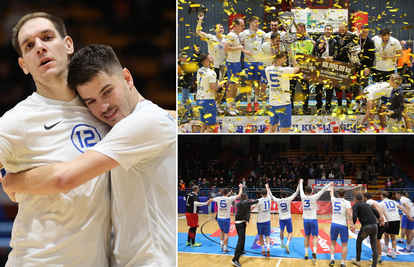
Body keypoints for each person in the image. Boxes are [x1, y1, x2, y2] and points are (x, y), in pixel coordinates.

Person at [2, 44, 177, 266]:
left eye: (107, 91)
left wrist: (11, 181)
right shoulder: (134, 122)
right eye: (90, 101)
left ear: (127, 78)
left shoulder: (142, 122)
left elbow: (65, 177)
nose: (103, 107)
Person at [0, 12, 111, 266]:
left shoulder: (102, 109)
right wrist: (13, 183)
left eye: (47, 38)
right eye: (29, 46)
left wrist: (18, 181)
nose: (40, 47)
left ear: (68, 45)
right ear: (23, 65)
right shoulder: (18, 120)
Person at [196, 13, 227, 115]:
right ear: (215, 30)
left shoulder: (226, 39)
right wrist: (200, 19)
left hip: (224, 67)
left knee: (222, 88)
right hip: (214, 67)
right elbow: (198, 31)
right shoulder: (210, 37)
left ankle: (218, 104)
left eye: (222, 27)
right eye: (218, 27)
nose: (221, 29)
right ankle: (213, 105)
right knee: (215, 88)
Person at [264, 51, 300, 133]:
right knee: (284, 131)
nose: (286, 60)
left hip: (272, 104)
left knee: (272, 128)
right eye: (284, 59)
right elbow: (297, 68)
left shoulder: (267, 69)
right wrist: (292, 56)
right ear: (279, 60)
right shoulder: (285, 70)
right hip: (284, 105)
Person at [224, 17, 253, 115]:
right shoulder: (230, 35)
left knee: (235, 85)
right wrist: (239, 47)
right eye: (242, 25)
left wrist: (245, 52)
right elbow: (226, 48)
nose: (244, 27)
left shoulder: (238, 35)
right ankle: (228, 106)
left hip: (237, 62)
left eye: (244, 25)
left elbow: (238, 48)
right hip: (232, 63)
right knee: (231, 85)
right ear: (235, 26)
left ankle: (232, 104)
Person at [299, 179, 333, 263]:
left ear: (305, 192)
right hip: (313, 219)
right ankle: (314, 251)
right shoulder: (314, 197)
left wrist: (301, 182)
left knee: (307, 236)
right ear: (312, 192)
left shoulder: (303, 196)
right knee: (315, 236)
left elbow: (300, 189)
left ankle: (306, 253)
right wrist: (329, 184)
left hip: (305, 219)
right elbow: (323, 190)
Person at [240, 16, 266, 113]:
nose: (257, 24)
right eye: (255, 22)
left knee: (257, 83)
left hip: (258, 62)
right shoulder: (245, 33)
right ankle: (248, 103)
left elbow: (268, 38)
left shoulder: (261, 32)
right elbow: (240, 46)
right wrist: (245, 52)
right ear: (250, 23)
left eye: (258, 22)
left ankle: (256, 102)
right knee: (249, 83)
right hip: (248, 61)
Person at [312, 24, 338, 114]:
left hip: (330, 67)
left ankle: (328, 107)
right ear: (324, 30)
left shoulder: (334, 41)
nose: (329, 31)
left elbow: (336, 53)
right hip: (319, 67)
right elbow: (314, 53)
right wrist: (319, 47)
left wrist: (332, 57)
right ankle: (319, 107)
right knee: (318, 88)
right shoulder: (319, 40)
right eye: (327, 29)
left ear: (332, 31)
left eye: (330, 29)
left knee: (329, 89)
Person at [195, 53, 225, 133]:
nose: (213, 59)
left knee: (204, 125)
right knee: (211, 127)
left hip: (199, 100)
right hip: (208, 101)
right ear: (208, 62)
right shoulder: (211, 73)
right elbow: (213, 91)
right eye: (211, 58)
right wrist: (219, 85)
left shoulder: (199, 70)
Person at [211, 184, 243, 254]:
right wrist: (240, 187)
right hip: (226, 219)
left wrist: (208, 202)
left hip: (219, 218)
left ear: (222, 192)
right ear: (228, 193)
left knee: (221, 231)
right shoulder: (229, 198)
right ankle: (225, 249)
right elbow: (239, 195)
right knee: (226, 234)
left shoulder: (218, 198)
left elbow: (211, 199)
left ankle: (221, 244)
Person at [380, 191, 412, 259]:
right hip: (397, 220)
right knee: (393, 237)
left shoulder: (381, 203)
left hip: (389, 220)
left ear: (382, 196)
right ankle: (394, 253)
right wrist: (409, 216)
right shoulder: (394, 202)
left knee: (386, 234)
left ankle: (386, 248)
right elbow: (402, 208)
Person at [268, 185, 300, 254]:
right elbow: (296, 193)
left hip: (281, 218)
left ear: (280, 195)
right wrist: (299, 184)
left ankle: (282, 244)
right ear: (286, 195)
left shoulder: (278, 200)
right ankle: (287, 244)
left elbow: (272, 196)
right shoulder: (289, 199)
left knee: (281, 231)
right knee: (290, 233)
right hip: (288, 218)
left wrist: (268, 188)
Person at [334, 22, 358, 113]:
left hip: (349, 64)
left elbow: (357, 50)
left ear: (347, 28)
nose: (341, 32)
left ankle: (348, 106)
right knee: (338, 86)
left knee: (348, 87)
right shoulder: (336, 36)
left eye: (343, 30)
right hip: (338, 64)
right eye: (340, 30)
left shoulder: (352, 37)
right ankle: (339, 106)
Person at [290, 22, 314, 114]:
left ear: (305, 31)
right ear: (296, 31)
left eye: (302, 30)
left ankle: (305, 107)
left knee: (305, 88)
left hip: (304, 68)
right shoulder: (291, 40)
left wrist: (314, 44)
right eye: (298, 30)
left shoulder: (309, 40)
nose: (300, 32)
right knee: (292, 87)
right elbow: (288, 52)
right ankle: (291, 107)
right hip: (293, 67)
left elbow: (311, 54)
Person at [351, 193, 380, 267]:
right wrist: (379, 218)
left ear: (355, 199)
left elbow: (354, 216)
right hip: (375, 226)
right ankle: (374, 265)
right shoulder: (367, 204)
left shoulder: (356, 205)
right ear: (362, 199)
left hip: (366, 226)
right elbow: (376, 212)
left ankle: (358, 260)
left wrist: (353, 225)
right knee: (374, 246)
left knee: (359, 242)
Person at [231, 193, 259, 267]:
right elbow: (254, 201)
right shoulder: (245, 203)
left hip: (241, 222)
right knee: (241, 240)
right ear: (246, 197)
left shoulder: (239, 203)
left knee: (242, 238)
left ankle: (241, 251)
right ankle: (235, 259)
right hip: (240, 223)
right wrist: (261, 199)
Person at [352, 24, 375, 113]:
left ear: (368, 32)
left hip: (365, 67)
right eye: (363, 31)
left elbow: (372, 56)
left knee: (365, 86)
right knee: (356, 86)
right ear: (360, 30)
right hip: (356, 66)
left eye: (366, 32)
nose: (364, 33)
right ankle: (357, 102)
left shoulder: (370, 41)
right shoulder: (356, 39)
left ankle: (364, 104)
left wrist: (369, 68)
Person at [329, 186, 353, 267]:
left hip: (334, 224)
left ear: (338, 194)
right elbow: (349, 213)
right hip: (343, 225)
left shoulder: (334, 199)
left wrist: (331, 186)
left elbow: (331, 194)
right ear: (345, 194)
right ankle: (342, 263)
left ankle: (332, 259)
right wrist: (352, 224)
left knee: (332, 243)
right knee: (344, 245)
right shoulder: (347, 202)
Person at [363, 192, 387, 264]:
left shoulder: (369, 202)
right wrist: (386, 220)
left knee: (377, 241)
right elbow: (382, 209)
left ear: (365, 198)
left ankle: (378, 258)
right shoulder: (375, 201)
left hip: (380, 223)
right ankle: (376, 254)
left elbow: (377, 207)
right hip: (382, 222)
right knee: (375, 240)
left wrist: (381, 217)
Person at [252, 185, 273, 257]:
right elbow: (269, 193)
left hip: (260, 221)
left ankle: (263, 250)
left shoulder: (259, 201)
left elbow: (252, 208)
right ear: (266, 193)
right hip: (267, 220)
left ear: (261, 194)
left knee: (260, 235)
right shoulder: (269, 198)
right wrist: (267, 187)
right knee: (267, 236)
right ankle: (268, 248)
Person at [178, 52, 194, 124]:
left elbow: (186, 74)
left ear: (184, 58)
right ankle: (191, 112)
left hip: (187, 83)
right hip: (185, 83)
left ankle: (188, 115)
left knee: (184, 98)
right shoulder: (183, 64)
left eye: (181, 60)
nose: (180, 61)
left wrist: (180, 72)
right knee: (186, 98)